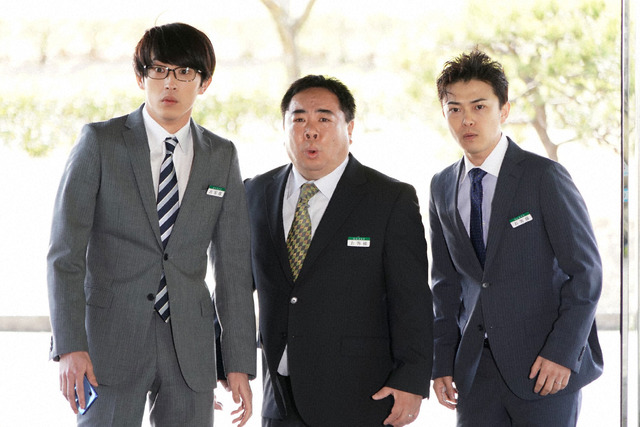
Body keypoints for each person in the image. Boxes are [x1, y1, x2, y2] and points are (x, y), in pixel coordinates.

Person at [47, 22, 256, 426]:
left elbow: (232, 268)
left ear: (205, 82)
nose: (170, 83)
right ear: (140, 77)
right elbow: (64, 254)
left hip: (191, 349)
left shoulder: (221, 156)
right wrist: (70, 347)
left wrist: (238, 363)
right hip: (107, 342)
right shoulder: (100, 142)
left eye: (184, 72)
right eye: (158, 69)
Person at [245, 74, 433, 427]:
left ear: (350, 128)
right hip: (280, 400)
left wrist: (411, 379)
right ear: (284, 128)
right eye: (298, 119)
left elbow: (411, 299)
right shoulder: (255, 193)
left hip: (361, 396)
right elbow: (235, 285)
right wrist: (226, 362)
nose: (310, 131)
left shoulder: (389, 199)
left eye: (324, 119)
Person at [429, 49, 603, 426]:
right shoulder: (442, 186)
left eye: (479, 106)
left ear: (504, 110)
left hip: (544, 368)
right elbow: (445, 283)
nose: (467, 119)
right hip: (475, 372)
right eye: (454, 109)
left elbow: (586, 272)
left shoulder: (544, 177)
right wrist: (441, 361)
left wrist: (562, 353)